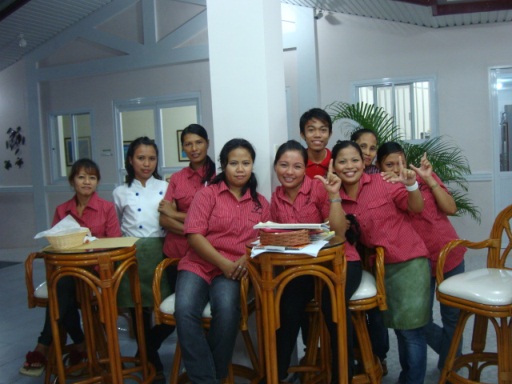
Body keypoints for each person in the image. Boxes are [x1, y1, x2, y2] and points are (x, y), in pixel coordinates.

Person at [332, 140, 431, 384]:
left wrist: (411, 186)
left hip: (409, 262)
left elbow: (416, 208)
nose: (349, 166)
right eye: (342, 161)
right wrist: (333, 196)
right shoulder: (337, 197)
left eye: (355, 160)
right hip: (377, 267)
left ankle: (412, 380)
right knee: (396, 327)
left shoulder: (382, 182)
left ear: (363, 162)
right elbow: (338, 234)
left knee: (410, 332)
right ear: (333, 166)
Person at [174, 138, 270, 384]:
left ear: (252, 166)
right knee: (184, 310)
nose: (240, 169)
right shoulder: (207, 195)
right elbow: (194, 235)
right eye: (234, 163)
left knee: (227, 311)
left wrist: (242, 260)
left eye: (245, 163)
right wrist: (223, 263)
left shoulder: (261, 204)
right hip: (199, 264)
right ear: (223, 166)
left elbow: (264, 241)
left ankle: (210, 376)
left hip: (235, 270)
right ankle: (206, 379)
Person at [270, 140, 361, 383]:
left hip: (340, 261)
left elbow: (339, 235)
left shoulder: (319, 188)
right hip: (304, 267)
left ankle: (343, 376)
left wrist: (333, 197)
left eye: (297, 166)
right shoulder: (276, 196)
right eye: (284, 165)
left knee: (333, 308)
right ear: (275, 166)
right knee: (286, 310)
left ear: (305, 168)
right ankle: (275, 375)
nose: (289, 172)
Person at [20, 158, 121, 377]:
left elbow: (114, 244)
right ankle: (80, 342)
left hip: (95, 272)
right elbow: (56, 245)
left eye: (92, 177)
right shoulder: (62, 210)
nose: (87, 182)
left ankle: (45, 345)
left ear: (97, 182)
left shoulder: (107, 208)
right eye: (81, 177)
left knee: (61, 289)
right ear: (72, 181)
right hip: (68, 270)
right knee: (63, 284)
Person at [377, 141, 465, 371]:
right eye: (390, 164)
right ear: (379, 167)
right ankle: (451, 356)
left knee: (452, 317)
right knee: (418, 321)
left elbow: (451, 208)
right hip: (416, 264)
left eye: (401, 162)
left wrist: (429, 180)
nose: (398, 168)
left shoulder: (422, 178)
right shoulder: (382, 190)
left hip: (449, 254)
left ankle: (450, 366)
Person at [146, 124, 216, 376]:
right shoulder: (177, 179)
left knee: (207, 315)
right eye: (188, 144)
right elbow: (164, 220)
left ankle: (203, 367)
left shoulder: (219, 175)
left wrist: (176, 214)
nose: (194, 148)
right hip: (176, 255)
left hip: (208, 256)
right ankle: (152, 350)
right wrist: (195, 223)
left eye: (198, 142)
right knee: (182, 314)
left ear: (207, 143)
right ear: (183, 147)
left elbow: (215, 220)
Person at [112, 136, 170, 376]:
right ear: (130, 160)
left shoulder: (166, 187)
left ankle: (147, 350)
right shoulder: (120, 192)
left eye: (152, 158)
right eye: (141, 158)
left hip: (161, 252)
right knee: (138, 310)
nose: (147, 164)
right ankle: (151, 362)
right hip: (131, 254)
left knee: (167, 310)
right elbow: (116, 225)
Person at [351, 128, 389, 374]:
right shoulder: (343, 173)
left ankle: (379, 355)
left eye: (372, 147)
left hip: (375, 251)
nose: (366, 152)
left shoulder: (380, 177)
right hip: (350, 249)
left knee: (376, 309)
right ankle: (354, 353)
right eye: (361, 146)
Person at [300, 108, 333, 178]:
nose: (317, 135)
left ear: (329, 134)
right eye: (311, 130)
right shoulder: (297, 162)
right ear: (303, 134)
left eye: (323, 130)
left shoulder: (336, 160)